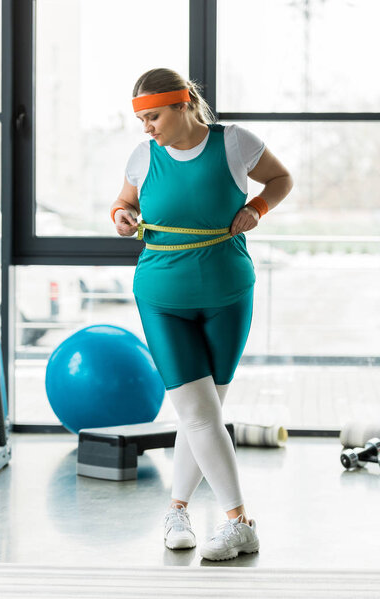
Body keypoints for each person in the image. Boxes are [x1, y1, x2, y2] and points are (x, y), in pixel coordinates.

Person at [111, 68, 293, 561]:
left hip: (228, 294)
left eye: (154, 117)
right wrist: (122, 219)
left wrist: (257, 208)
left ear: (183, 104)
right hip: (162, 298)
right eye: (142, 119)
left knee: (205, 414)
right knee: (198, 413)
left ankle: (177, 509)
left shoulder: (235, 143)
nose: (147, 127)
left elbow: (281, 178)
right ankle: (240, 523)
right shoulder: (142, 156)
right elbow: (124, 204)